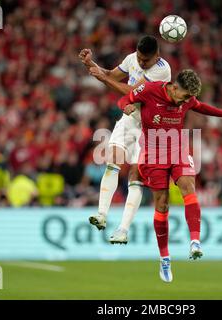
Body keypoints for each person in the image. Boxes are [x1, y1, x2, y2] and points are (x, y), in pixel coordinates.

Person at [117, 69, 222, 282]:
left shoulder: (186, 99)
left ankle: (195, 242)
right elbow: (124, 98)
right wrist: (127, 106)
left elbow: (201, 106)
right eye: (185, 96)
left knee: (188, 186)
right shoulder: (150, 90)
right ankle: (164, 258)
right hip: (153, 152)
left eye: (190, 97)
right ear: (174, 87)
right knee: (162, 204)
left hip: (178, 149)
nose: (187, 101)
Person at [79, 35, 171, 244]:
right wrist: (91, 65)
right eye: (139, 57)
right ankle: (102, 214)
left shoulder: (162, 70)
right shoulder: (132, 59)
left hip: (150, 126)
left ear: (156, 56)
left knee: (135, 174)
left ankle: (123, 229)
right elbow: (112, 74)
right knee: (113, 159)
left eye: (145, 60)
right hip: (129, 119)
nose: (141, 62)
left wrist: (103, 79)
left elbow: (133, 92)